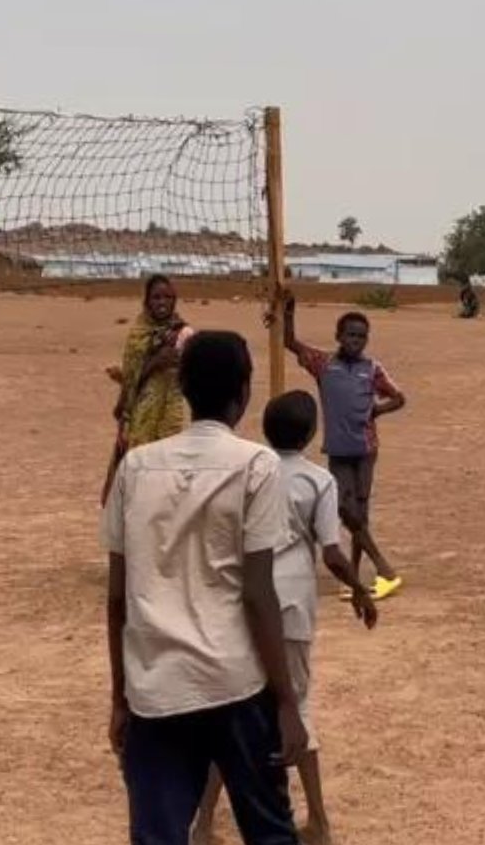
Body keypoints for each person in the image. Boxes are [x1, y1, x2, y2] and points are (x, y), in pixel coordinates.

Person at [103, 331, 308, 845]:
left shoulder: (134, 466)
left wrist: (120, 698)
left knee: (157, 836)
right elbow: (259, 593)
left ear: (184, 387)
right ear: (245, 391)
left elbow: (116, 597)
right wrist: (286, 701)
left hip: (156, 686)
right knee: (269, 831)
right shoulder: (257, 465)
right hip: (235, 684)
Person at [191, 390, 378, 845]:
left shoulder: (248, 471)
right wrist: (359, 589)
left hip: (243, 602)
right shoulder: (318, 481)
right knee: (297, 706)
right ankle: (317, 821)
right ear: (312, 434)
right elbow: (332, 553)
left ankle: (203, 823)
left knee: (231, 712)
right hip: (291, 606)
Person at [282, 293, 407, 601]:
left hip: (365, 449)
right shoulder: (324, 364)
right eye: (350, 335)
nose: (356, 341)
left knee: (360, 513)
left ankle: (355, 574)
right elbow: (290, 342)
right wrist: (288, 314)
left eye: (362, 336)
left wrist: (377, 410)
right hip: (338, 450)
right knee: (345, 509)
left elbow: (399, 398)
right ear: (338, 336)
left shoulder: (372, 369)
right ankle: (383, 568)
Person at [101, 275, 194, 505]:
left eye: (168, 297)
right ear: (146, 301)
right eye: (156, 297)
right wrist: (155, 363)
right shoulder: (137, 335)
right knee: (140, 471)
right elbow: (133, 379)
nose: (162, 302)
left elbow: (193, 375)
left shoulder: (183, 334)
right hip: (141, 414)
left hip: (171, 411)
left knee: (169, 471)